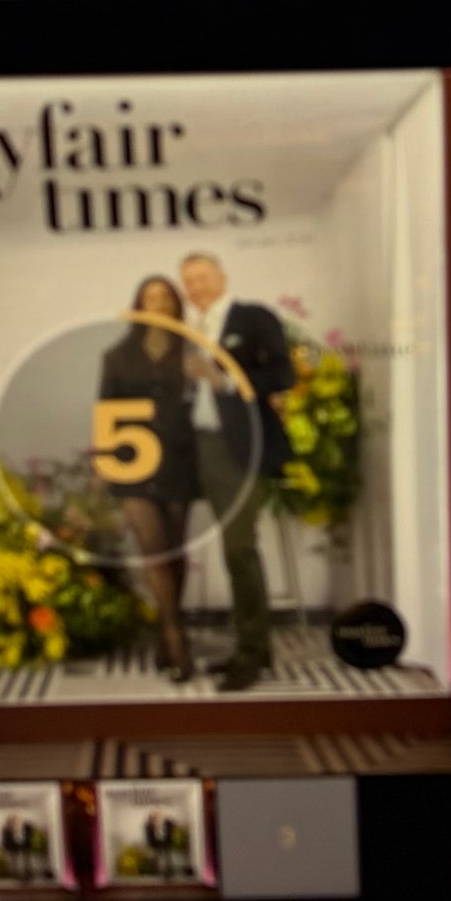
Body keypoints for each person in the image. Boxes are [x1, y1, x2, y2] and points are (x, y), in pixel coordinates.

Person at [177, 252, 296, 689]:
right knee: (233, 549)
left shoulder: (253, 317)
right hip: (204, 448)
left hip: (245, 449)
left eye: (203, 277)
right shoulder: (186, 330)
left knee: (239, 549)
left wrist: (226, 381)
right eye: (189, 281)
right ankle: (254, 648)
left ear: (222, 277)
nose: (197, 287)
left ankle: (251, 653)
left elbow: (283, 374)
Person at [99, 274, 199, 681]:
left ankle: (164, 631)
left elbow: (209, 401)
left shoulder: (193, 348)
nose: (157, 304)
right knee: (153, 550)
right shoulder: (116, 356)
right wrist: (104, 465)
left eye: (164, 298)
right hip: (133, 463)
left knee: (175, 551)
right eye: (149, 298)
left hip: (179, 460)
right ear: (138, 306)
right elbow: (106, 410)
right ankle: (176, 636)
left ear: (175, 305)